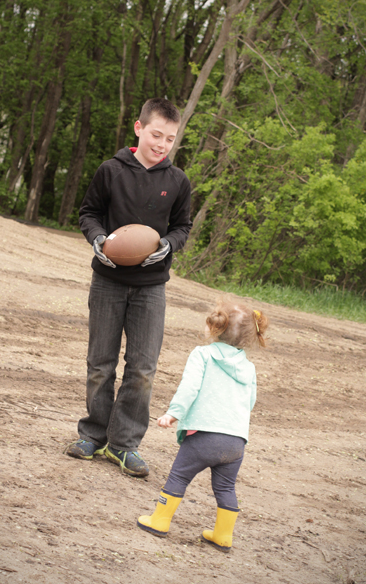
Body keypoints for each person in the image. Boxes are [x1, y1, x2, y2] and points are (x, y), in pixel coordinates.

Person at [66, 98, 192, 478]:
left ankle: (124, 445)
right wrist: (99, 238)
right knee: (100, 364)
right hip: (107, 281)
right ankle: (93, 435)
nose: (162, 144)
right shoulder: (111, 171)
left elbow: (182, 227)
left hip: (151, 287)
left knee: (143, 369)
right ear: (139, 128)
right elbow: (88, 213)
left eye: (170, 139)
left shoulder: (177, 181)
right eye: (156, 135)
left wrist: (168, 245)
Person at [137, 298, 268, 551]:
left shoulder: (203, 354)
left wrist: (173, 413)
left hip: (204, 437)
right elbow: (250, 402)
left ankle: (160, 521)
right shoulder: (248, 367)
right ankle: (223, 536)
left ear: (214, 326)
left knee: (179, 476)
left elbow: (189, 388)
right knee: (226, 487)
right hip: (236, 442)